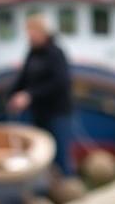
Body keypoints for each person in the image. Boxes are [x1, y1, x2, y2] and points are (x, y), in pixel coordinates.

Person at [6, 14, 74, 176]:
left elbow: (59, 82)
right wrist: (11, 95)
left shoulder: (55, 54)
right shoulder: (32, 53)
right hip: (39, 113)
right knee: (42, 155)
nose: (28, 36)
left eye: (31, 32)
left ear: (41, 32)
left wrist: (30, 95)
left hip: (57, 113)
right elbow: (23, 79)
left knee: (60, 155)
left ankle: (66, 184)